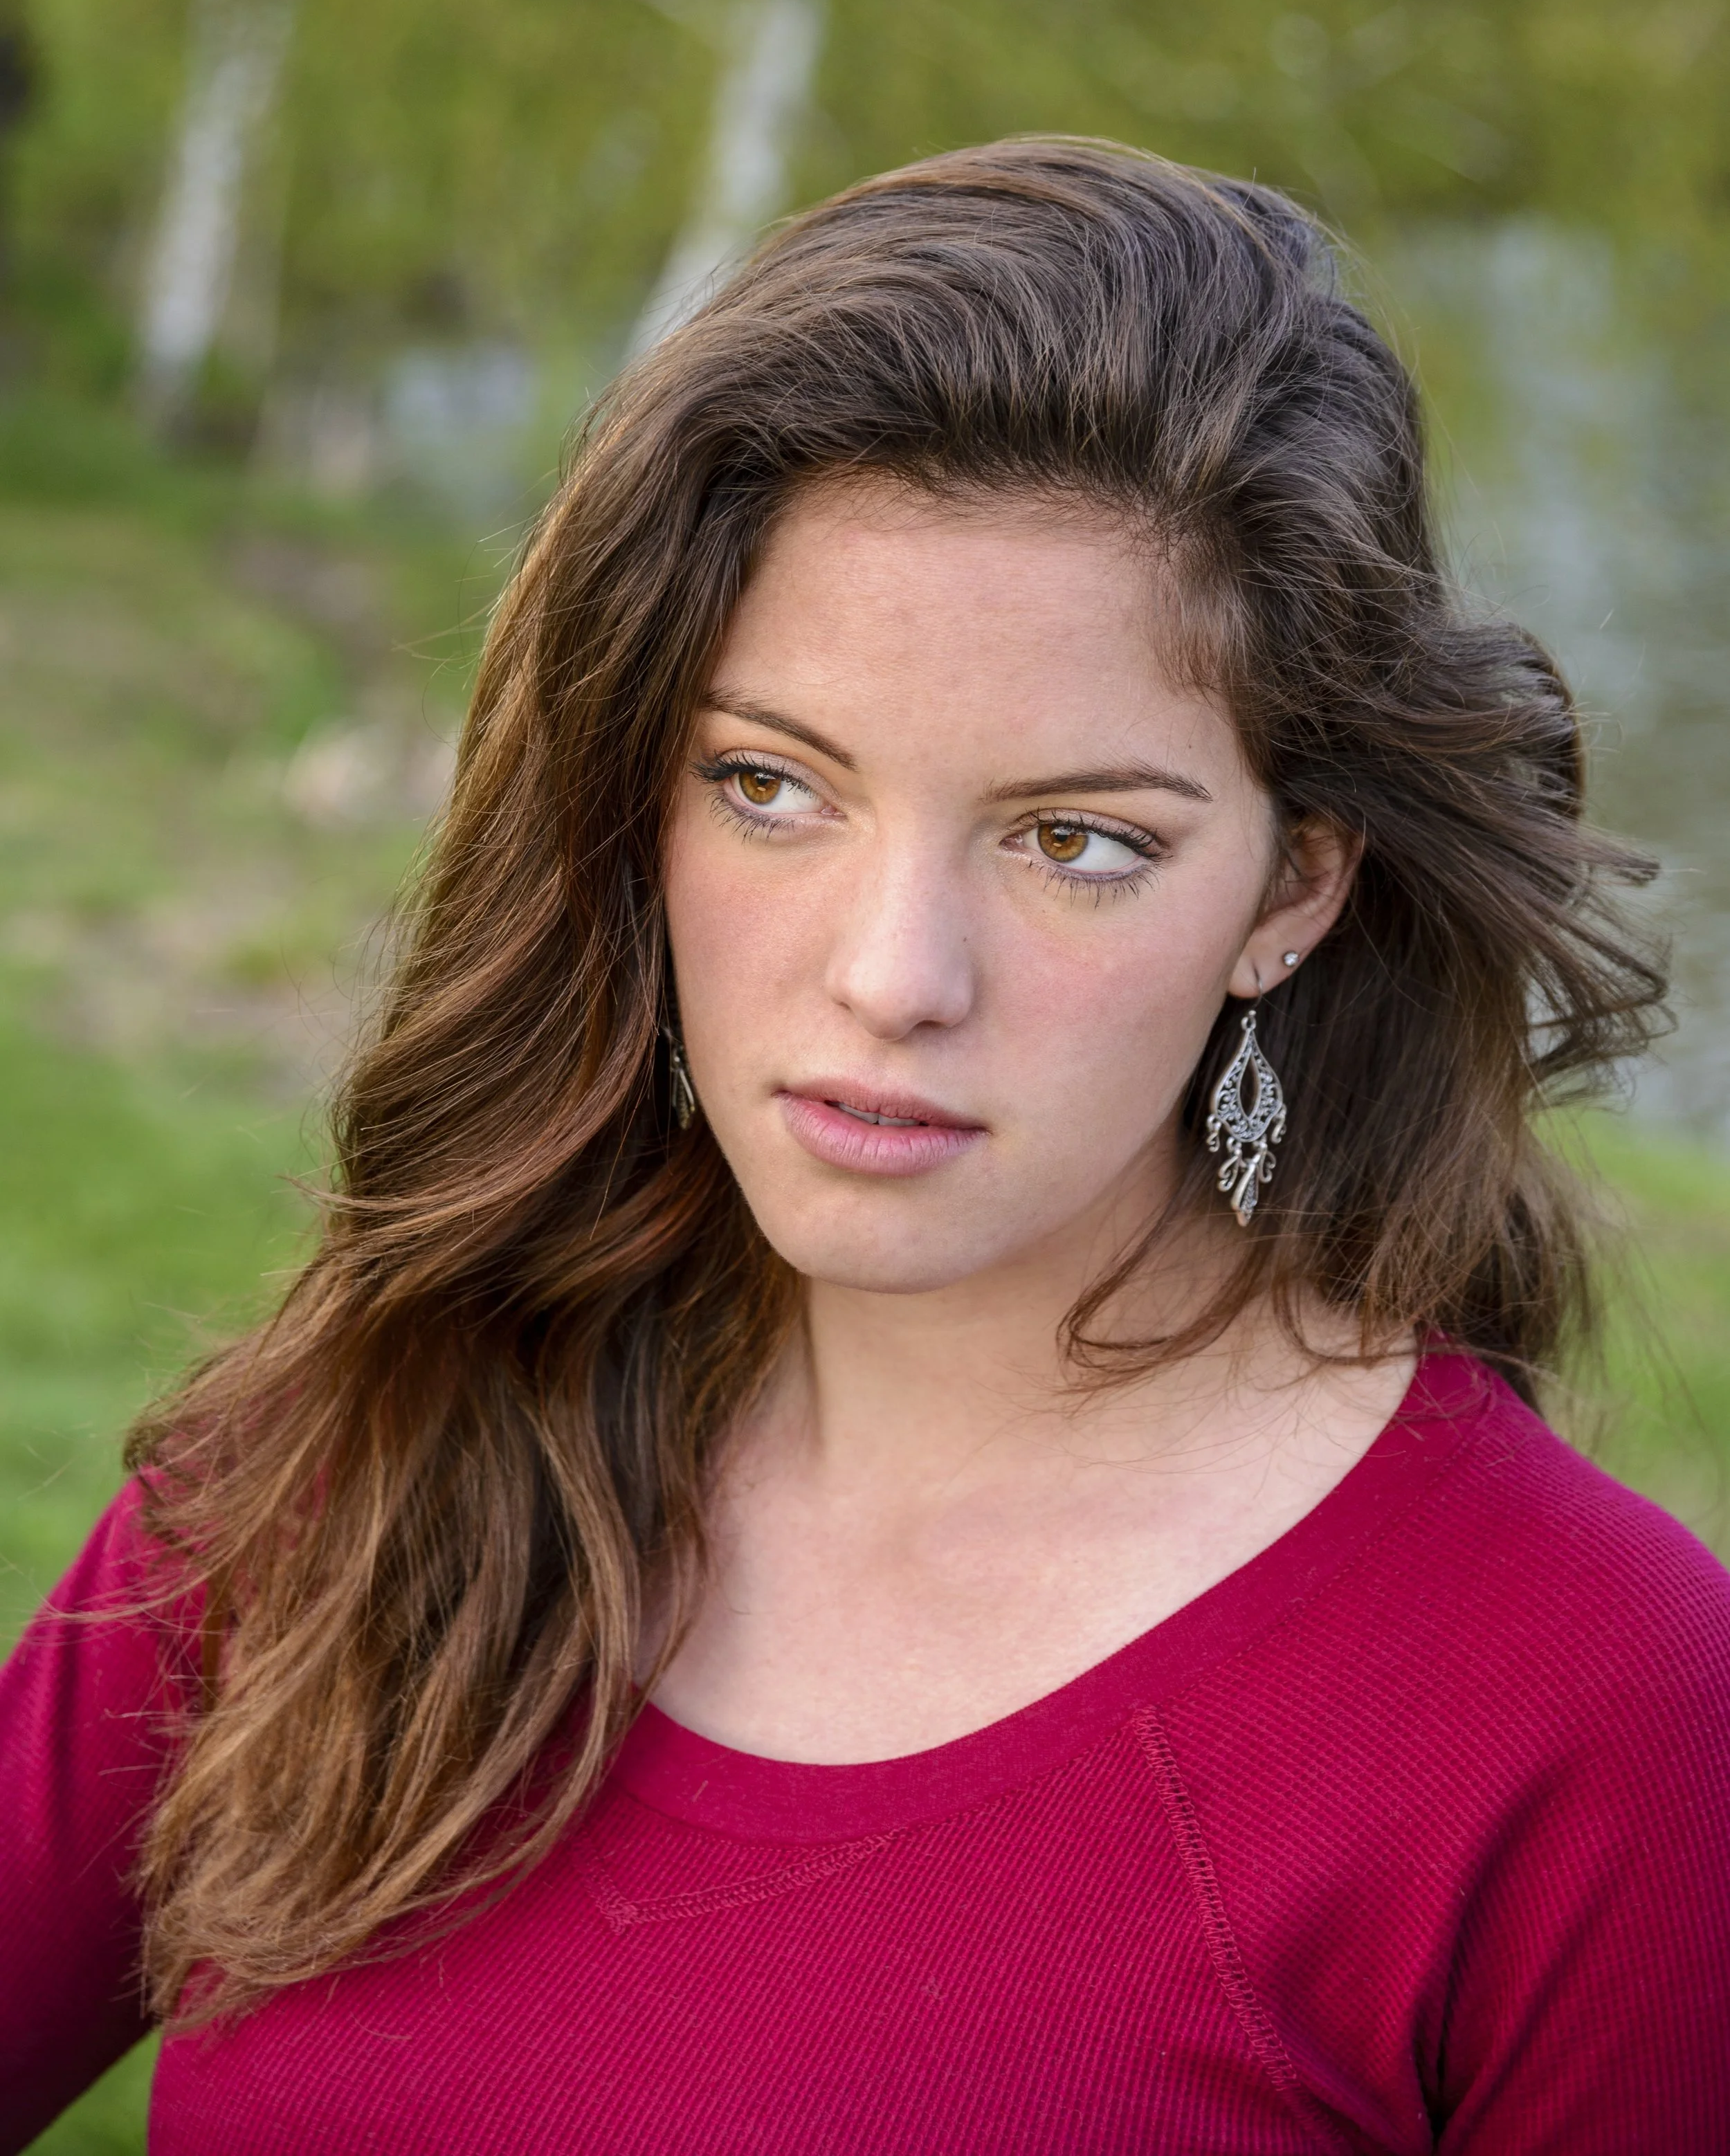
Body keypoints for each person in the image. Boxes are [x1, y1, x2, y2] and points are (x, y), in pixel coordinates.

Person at [3, 140, 1727, 2156]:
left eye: (1078, 839)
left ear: (1295, 885)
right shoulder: (348, 1478)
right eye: (768, 785)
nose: (893, 975)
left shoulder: (1594, 1720)